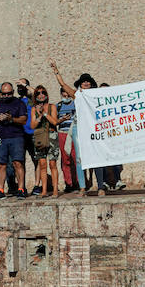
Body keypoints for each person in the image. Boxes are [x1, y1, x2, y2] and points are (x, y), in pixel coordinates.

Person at [48, 62, 102, 194]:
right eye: (84, 82)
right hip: (79, 128)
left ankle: (101, 187)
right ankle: (82, 187)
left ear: (92, 84)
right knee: (79, 159)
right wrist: (56, 71)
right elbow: (63, 85)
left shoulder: (97, 95)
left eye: (88, 81)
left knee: (97, 158)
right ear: (80, 84)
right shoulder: (77, 95)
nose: (86, 83)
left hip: (93, 128)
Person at [0, 81, 29, 200]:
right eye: (4, 94)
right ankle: (0, 190)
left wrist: (11, 119)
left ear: (13, 92)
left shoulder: (19, 103)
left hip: (16, 136)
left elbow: (24, 120)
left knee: (17, 163)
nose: (6, 96)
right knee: (1, 164)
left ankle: (21, 189)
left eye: (9, 93)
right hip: (2, 137)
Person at [29, 86, 60, 197]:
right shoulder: (34, 109)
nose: (41, 95)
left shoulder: (52, 107)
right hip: (40, 137)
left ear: (46, 95)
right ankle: (44, 191)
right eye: (38, 93)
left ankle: (55, 190)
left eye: (43, 92)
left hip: (52, 136)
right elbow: (32, 125)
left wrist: (45, 113)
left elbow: (55, 122)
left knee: (52, 163)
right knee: (42, 164)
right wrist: (39, 116)